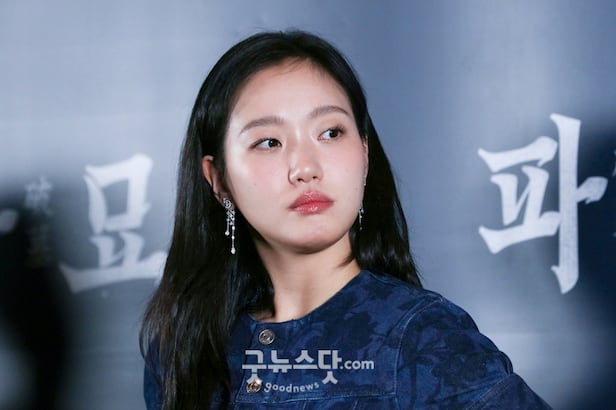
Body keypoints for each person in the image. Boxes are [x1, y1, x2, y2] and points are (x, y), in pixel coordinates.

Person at [140, 30, 551, 409]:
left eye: (330, 133)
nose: (305, 167)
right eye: (269, 142)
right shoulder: (184, 347)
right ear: (218, 180)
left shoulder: (423, 338)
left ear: (365, 154)